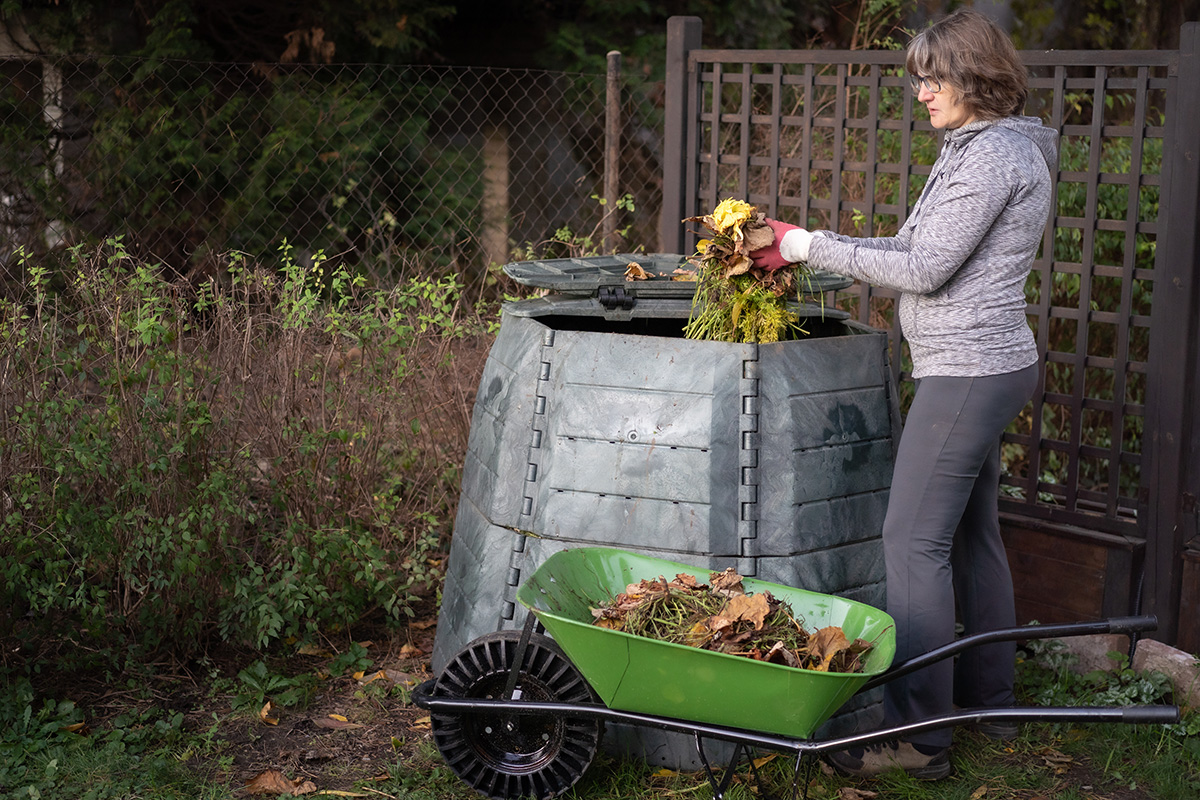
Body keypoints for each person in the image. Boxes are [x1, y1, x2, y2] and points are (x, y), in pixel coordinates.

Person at [749, 9, 1057, 780]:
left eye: (934, 77)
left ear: (975, 76)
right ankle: (991, 701)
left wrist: (797, 242)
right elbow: (913, 249)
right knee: (967, 538)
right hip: (982, 364)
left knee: (909, 541)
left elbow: (924, 272)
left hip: (969, 372)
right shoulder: (980, 148)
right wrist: (806, 250)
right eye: (918, 78)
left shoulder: (990, 160)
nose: (921, 92)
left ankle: (920, 738)